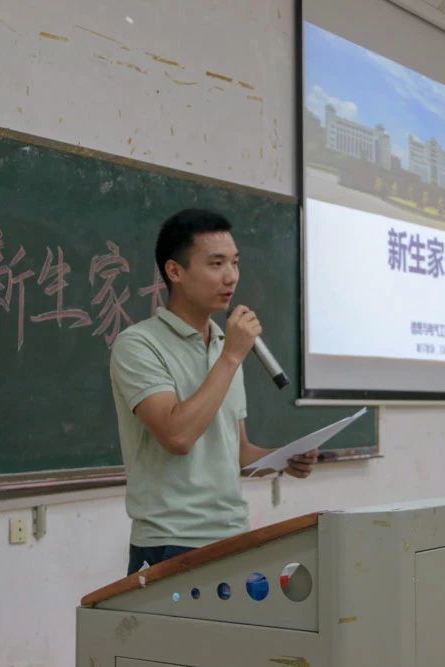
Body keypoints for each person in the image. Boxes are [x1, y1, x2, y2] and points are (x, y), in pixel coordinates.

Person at [109, 208, 318, 575]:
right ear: (175, 271)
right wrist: (232, 356)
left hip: (233, 535)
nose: (231, 276)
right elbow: (177, 436)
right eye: (216, 263)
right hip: (170, 541)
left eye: (235, 263)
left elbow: (237, 452)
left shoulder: (224, 345)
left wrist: (282, 458)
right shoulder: (138, 345)